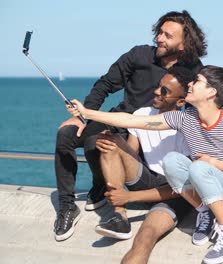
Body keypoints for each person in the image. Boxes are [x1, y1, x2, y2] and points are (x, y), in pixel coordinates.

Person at [66, 65, 223, 264]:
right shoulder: (184, 119)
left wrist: (213, 164)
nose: (190, 84)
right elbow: (131, 120)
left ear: (211, 92)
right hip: (206, 194)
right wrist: (88, 113)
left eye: (196, 81)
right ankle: (204, 211)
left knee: (199, 166)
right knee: (172, 160)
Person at [53, 10, 206, 242]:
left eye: (167, 35)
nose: (159, 38)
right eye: (160, 32)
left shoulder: (194, 69)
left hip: (155, 130)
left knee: (97, 143)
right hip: (120, 120)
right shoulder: (139, 55)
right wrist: (80, 118)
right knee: (66, 134)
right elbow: (105, 84)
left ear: (184, 44)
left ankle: (101, 189)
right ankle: (67, 206)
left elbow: (197, 109)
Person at [92, 67, 194, 246]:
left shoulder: (186, 127)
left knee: (146, 236)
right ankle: (120, 217)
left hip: (176, 191)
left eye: (164, 91)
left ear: (181, 102)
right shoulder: (141, 114)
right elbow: (131, 154)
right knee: (111, 141)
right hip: (148, 178)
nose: (156, 91)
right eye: (158, 86)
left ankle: (123, 203)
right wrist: (111, 146)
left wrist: (129, 197)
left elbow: (184, 186)